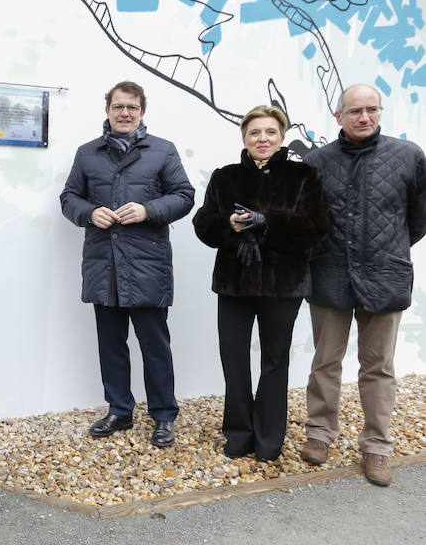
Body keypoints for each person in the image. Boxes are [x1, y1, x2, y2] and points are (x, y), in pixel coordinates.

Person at [300, 84, 426, 486]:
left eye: (372, 109)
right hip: (329, 273)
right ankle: (320, 434)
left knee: (379, 367)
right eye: (355, 111)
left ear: (380, 112)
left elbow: (418, 218)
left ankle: (377, 447)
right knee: (325, 362)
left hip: (384, 275)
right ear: (338, 116)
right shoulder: (316, 161)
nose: (365, 117)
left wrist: (387, 247)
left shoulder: (408, 156)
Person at [60, 80, 194, 447]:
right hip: (105, 267)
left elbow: (184, 196)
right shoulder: (88, 153)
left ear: (142, 112)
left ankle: (164, 416)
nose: (124, 113)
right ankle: (119, 410)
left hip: (147, 267)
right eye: (118, 106)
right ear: (107, 110)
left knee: (155, 346)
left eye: (131, 108)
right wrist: (89, 213)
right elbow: (69, 197)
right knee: (111, 344)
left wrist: (149, 209)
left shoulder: (162, 151)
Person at [192, 105, 328, 461]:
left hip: (283, 284)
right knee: (234, 357)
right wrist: (230, 225)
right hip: (234, 283)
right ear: (244, 138)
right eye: (254, 133)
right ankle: (239, 432)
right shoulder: (225, 176)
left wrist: (266, 222)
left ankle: (269, 436)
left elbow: (316, 227)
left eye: (270, 132)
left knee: (274, 360)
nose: (262, 139)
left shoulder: (304, 175)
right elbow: (203, 224)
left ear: (281, 137)